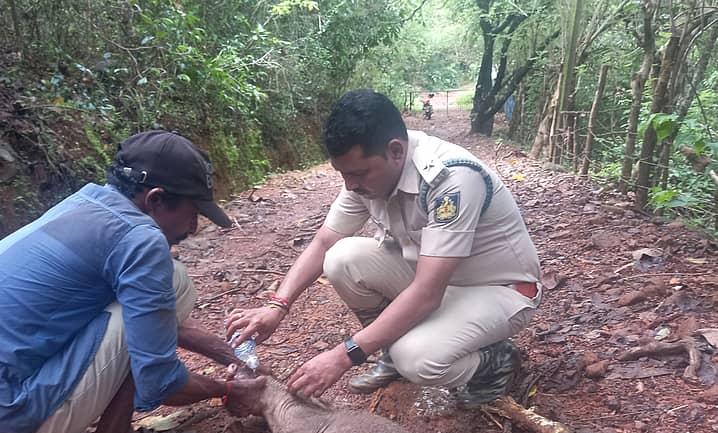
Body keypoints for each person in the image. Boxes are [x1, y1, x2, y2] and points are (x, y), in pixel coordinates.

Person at [0, 130, 266, 433]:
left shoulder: (86, 204)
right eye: (192, 213)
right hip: (15, 418)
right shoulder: (141, 240)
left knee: (148, 298)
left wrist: (231, 354)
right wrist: (229, 391)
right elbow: (158, 380)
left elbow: (148, 323)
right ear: (155, 199)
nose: (193, 226)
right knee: (173, 281)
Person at [227, 89, 540, 407]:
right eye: (343, 174)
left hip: (498, 290)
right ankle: (391, 352)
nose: (350, 185)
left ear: (395, 151)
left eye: (358, 174)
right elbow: (324, 242)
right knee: (341, 258)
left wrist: (344, 355)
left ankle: (494, 362)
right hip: (436, 280)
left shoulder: (451, 180)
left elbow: (426, 293)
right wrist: (277, 305)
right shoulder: (365, 176)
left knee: (417, 358)